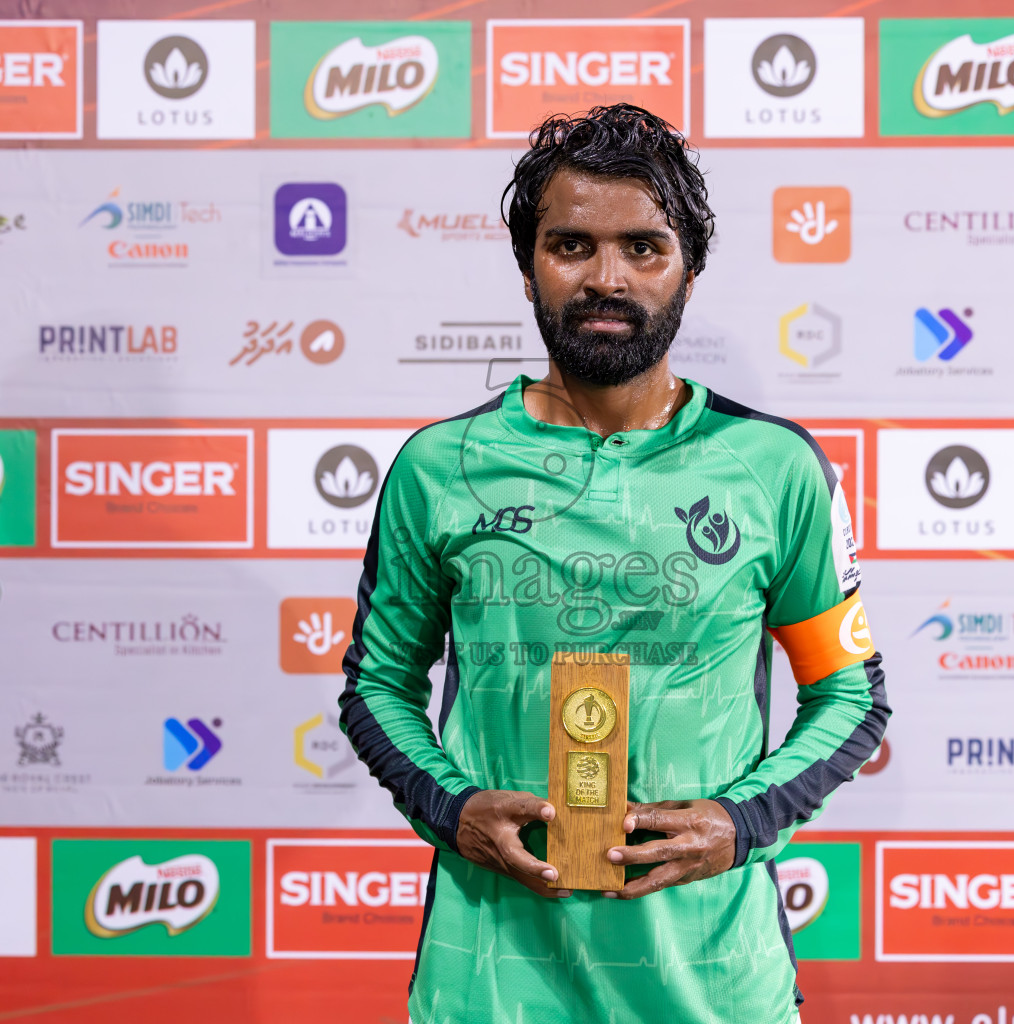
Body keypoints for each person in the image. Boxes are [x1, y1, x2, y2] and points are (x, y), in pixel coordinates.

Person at [339, 103, 890, 1024]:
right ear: (527, 269)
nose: (606, 277)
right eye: (571, 246)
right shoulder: (439, 468)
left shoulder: (775, 468)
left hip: (712, 986)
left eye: (643, 247)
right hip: (491, 986)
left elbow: (850, 694)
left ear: (689, 270)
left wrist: (741, 821)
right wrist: (453, 807)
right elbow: (377, 687)